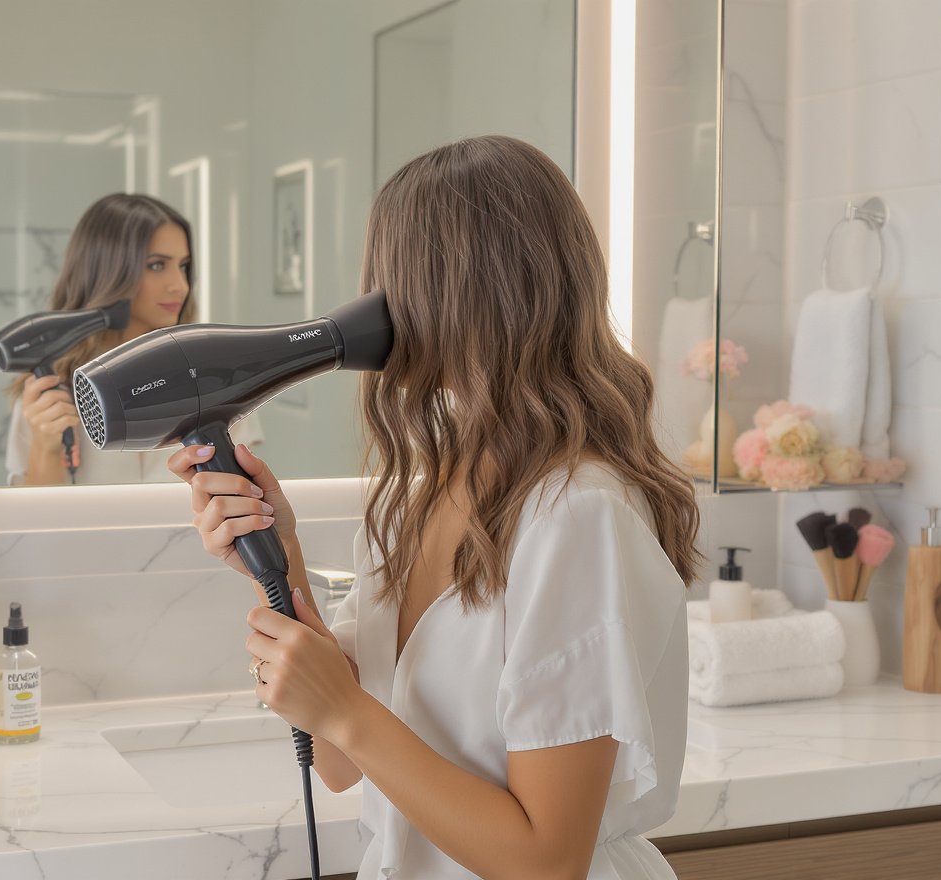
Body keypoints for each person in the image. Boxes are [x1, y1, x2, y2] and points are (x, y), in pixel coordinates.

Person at [168, 135, 699, 879]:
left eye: (390, 280)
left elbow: (548, 863)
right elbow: (340, 763)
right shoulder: (415, 502)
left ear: (454, 295)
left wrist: (347, 711)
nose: (373, 309)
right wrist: (278, 563)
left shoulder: (576, 516)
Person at [5, 193, 264, 486]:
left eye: (183, 266)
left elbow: (245, 495)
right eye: (157, 265)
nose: (180, 286)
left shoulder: (217, 372)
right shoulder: (49, 393)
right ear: (106, 271)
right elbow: (37, 512)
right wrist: (46, 448)